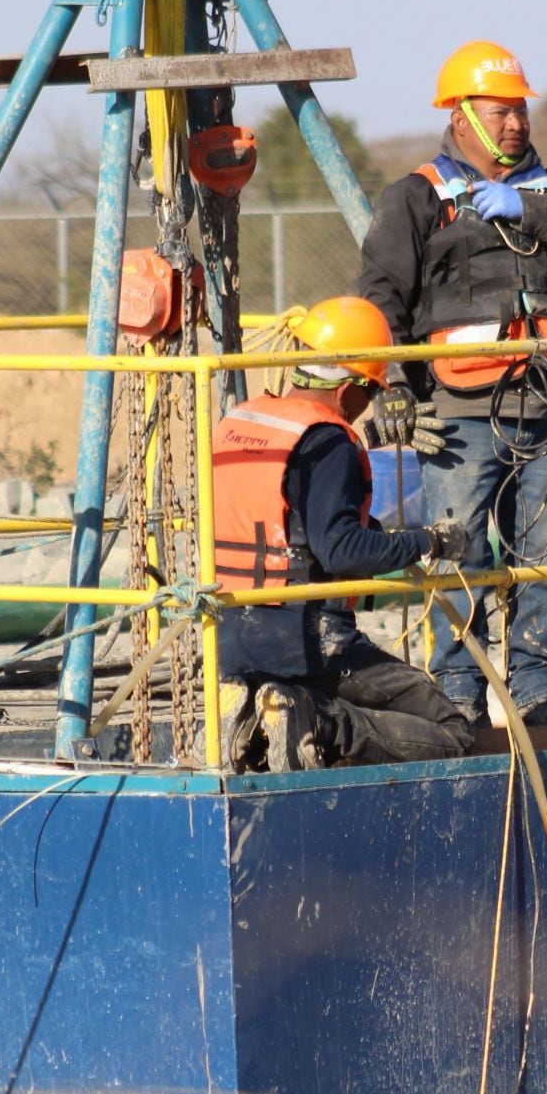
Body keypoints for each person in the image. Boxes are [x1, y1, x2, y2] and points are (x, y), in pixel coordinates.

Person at [358, 41, 547, 727]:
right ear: (462, 116)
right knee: (459, 552)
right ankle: (459, 696)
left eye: (521, 110)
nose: (516, 123)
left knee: (541, 560)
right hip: (458, 412)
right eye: (502, 112)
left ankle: (536, 692)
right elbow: (380, 299)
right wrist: (391, 385)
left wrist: (527, 211)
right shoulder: (416, 199)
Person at [212, 296, 475, 773]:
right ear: (351, 388)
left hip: (228, 634)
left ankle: (258, 719)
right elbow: (341, 551)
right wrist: (429, 542)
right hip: (303, 641)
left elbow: (294, 526)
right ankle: (317, 719)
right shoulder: (329, 442)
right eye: (372, 391)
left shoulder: (244, 422)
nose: (367, 405)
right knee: (449, 730)